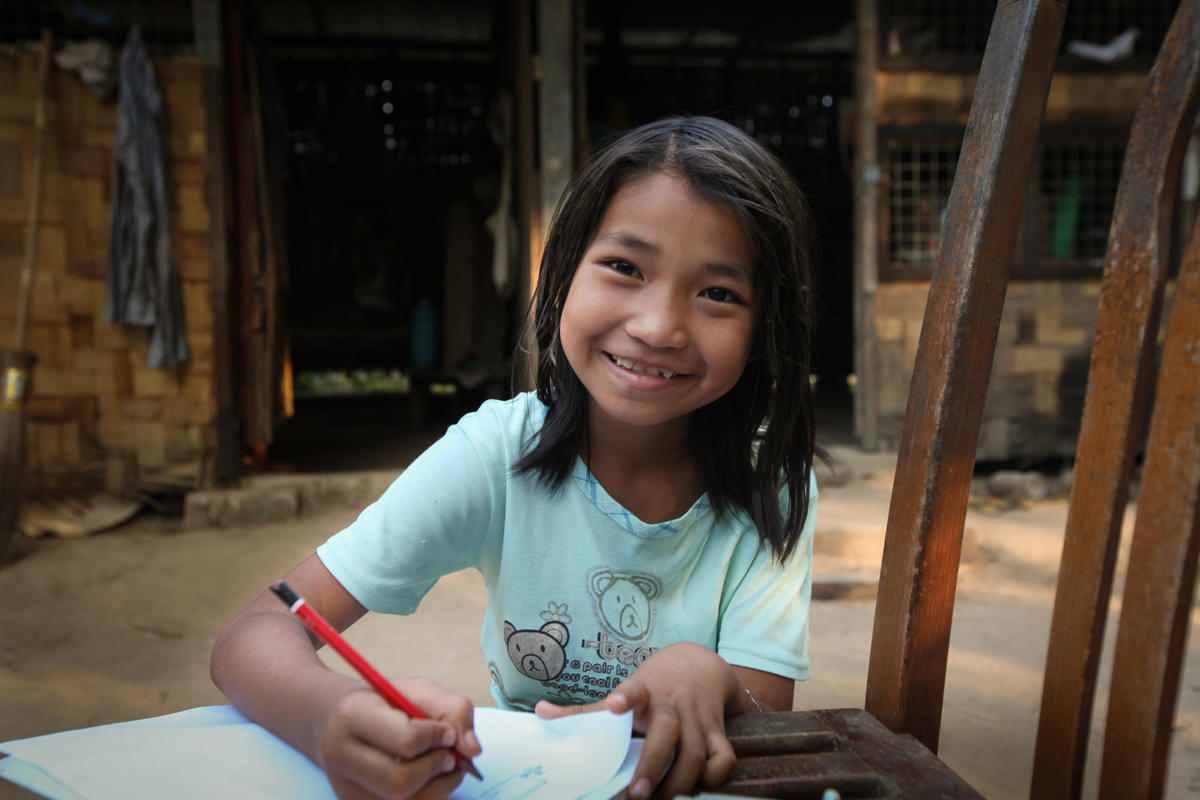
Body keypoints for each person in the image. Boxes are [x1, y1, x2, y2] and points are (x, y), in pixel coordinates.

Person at [211, 115, 820, 800]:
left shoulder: (772, 482)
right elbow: (254, 633)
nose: (657, 327)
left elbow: (769, 711)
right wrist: (327, 717)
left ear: (766, 327)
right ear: (561, 274)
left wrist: (709, 675)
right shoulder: (497, 454)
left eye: (718, 293)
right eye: (624, 267)